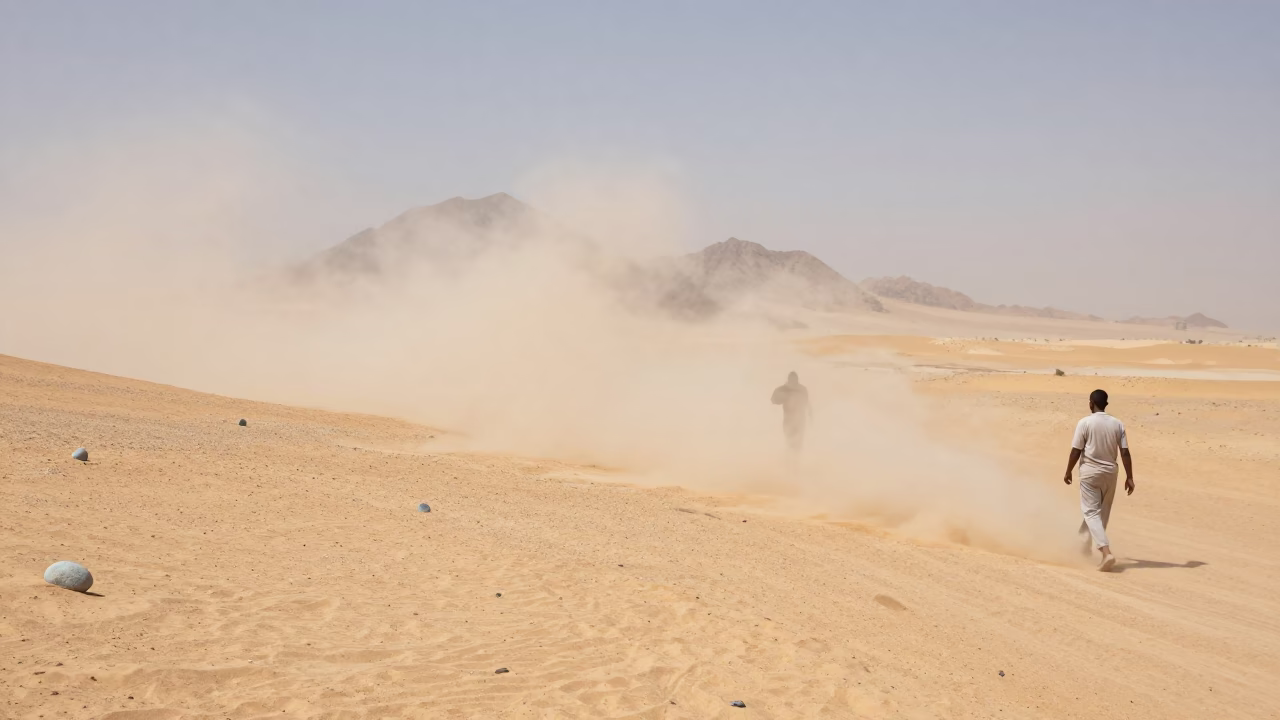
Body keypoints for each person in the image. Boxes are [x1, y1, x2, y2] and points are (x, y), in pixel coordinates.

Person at [1063, 389, 1135, 571]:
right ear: (1106, 404)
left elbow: (1076, 450)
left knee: (1091, 512)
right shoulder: (1117, 423)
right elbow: (1125, 452)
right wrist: (1130, 477)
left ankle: (1105, 552)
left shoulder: (1084, 423)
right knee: (1101, 513)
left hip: (1090, 472)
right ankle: (1083, 545)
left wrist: (1068, 471)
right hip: (1111, 473)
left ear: (1090, 403)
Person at [771, 371, 811, 452]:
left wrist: (811, 414)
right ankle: (790, 460)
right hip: (788, 420)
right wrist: (783, 396)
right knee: (789, 442)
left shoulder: (802, 389)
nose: (793, 381)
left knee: (798, 443)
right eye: (791, 379)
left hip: (800, 421)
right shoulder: (784, 389)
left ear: (797, 380)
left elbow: (807, 403)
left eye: (794, 379)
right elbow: (773, 400)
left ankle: (795, 460)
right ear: (788, 380)